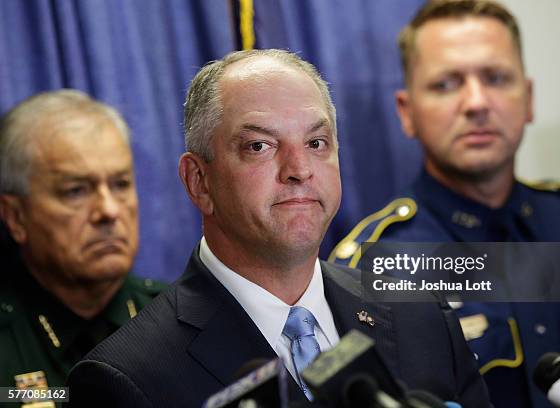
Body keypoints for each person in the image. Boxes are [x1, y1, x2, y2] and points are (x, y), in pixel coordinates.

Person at [66, 49, 490, 407]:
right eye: (259, 146)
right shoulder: (125, 378)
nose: (299, 170)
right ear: (199, 181)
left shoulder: (423, 318)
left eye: (316, 143)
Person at [329, 1, 560, 407]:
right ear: (406, 113)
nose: (476, 102)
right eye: (446, 84)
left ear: (528, 98)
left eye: (496, 78)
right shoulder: (374, 263)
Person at [0, 90, 166, 397]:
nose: (108, 211)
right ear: (16, 218)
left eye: (120, 185)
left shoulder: (182, 319)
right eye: (76, 191)